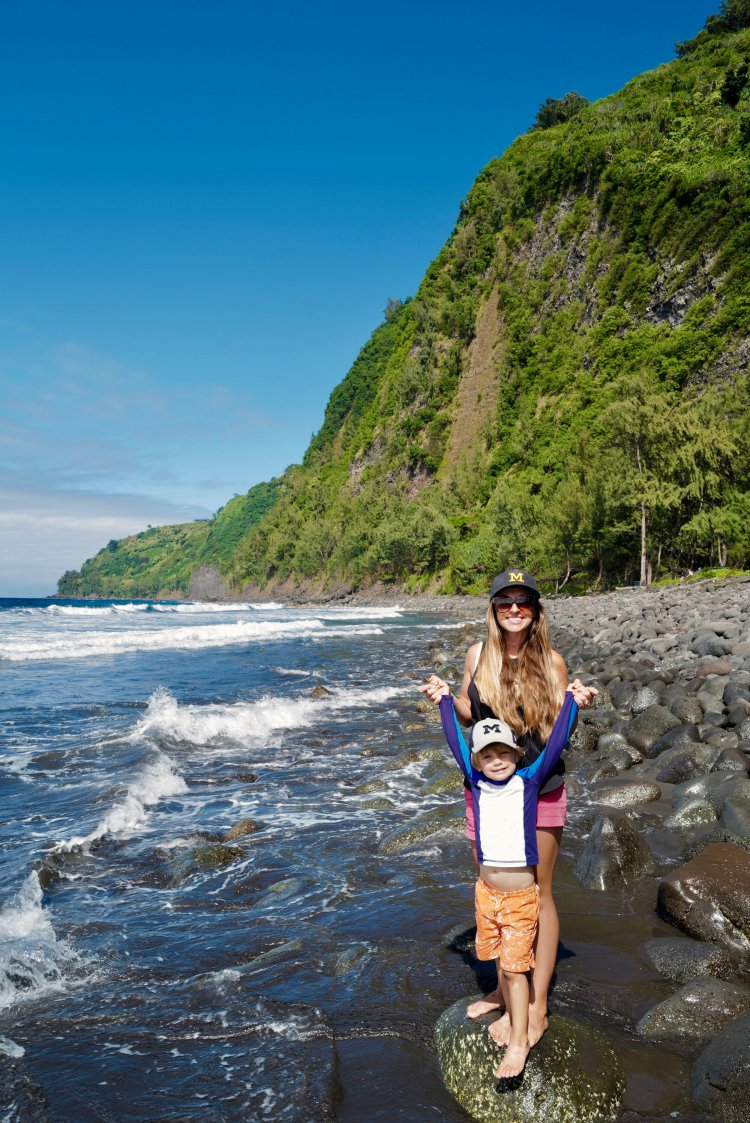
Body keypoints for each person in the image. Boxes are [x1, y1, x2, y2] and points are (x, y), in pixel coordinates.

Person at [420, 569, 597, 1047]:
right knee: (493, 887)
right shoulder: (477, 655)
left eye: (524, 601)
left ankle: (536, 1005)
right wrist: (444, 698)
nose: (514, 609)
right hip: (485, 789)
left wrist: (580, 703)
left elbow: (562, 727)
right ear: (493, 608)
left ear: (536, 610)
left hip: (539, 790)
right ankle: (504, 989)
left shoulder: (552, 661)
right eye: (505, 601)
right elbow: (469, 711)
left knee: (537, 892)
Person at [433, 687, 581, 1078]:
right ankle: (504, 1003)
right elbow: (454, 741)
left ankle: (519, 1042)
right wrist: (445, 702)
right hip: (486, 895)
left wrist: (572, 701)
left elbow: (556, 744)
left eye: (503, 752)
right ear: (476, 762)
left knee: (516, 970)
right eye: (486, 754)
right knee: (499, 958)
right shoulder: (476, 783)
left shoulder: (528, 782)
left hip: (519, 898)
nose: (496, 760)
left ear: (517, 755)